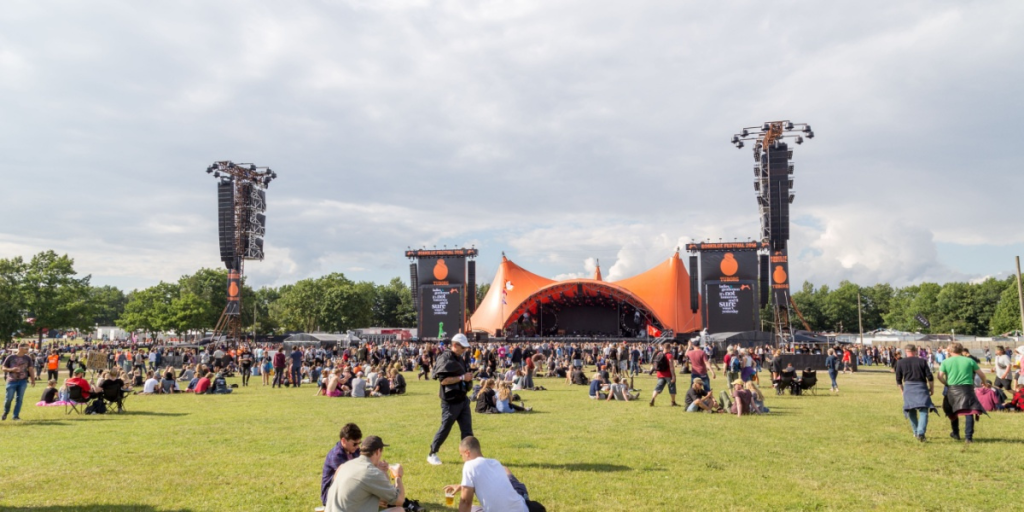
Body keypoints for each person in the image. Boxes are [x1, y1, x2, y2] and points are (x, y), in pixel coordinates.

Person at [443, 436, 544, 512]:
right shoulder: (495, 462)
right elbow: (490, 481)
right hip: (523, 508)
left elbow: (466, 502)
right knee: (506, 471)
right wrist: (462, 486)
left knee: (473, 508)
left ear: (467, 453)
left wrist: (465, 488)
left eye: (461, 456)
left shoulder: (469, 465)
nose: (462, 459)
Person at [428, 333, 475, 466]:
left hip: (462, 399)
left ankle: (469, 457)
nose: (465, 349)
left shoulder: (460, 358)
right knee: (445, 427)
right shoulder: (445, 358)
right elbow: (443, 381)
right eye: (462, 347)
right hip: (450, 401)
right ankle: (432, 453)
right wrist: (462, 378)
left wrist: (467, 377)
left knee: (467, 430)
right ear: (455, 345)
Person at [325, 435, 405, 512]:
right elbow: (399, 500)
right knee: (399, 510)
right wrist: (397, 476)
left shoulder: (345, 465)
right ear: (378, 451)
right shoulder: (372, 473)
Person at [937, 343, 988, 444]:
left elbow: (939, 376)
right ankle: (968, 437)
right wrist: (984, 382)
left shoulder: (946, 362)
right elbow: (982, 374)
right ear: (961, 350)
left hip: (952, 389)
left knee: (953, 411)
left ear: (950, 351)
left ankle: (956, 433)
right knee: (969, 412)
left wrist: (946, 383)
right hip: (967, 389)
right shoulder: (969, 360)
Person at [895, 344, 935, 441]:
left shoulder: (900, 362)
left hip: (908, 387)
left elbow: (898, 379)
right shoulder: (922, 361)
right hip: (921, 386)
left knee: (911, 410)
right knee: (923, 410)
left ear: (906, 351)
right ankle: (921, 432)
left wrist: (902, 391)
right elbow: (930, 377)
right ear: (915, 351)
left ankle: (916, 432)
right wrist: (932, 388)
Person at [320, 423, 363, 505]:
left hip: (346, 489)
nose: (357, 446)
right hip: (330, 495)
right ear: (343, 441)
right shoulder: (336, 455)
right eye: (355, 443)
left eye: (359, 443)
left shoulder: (355, 450)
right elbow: (350, 477)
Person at [3, 342, 37, 421]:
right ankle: (6, 412)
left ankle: (15, 416)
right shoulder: (10, 357)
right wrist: (11, 369)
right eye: (26, 348)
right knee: (9, 398)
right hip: (11, 381)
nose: (28, 350)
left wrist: (33, 379)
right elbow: (3, 368)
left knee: (19, 399)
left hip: (23, 381)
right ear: (20, 348)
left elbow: (31, 369)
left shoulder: (28, 358)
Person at [649, 341, 678, 407]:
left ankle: (653, 398)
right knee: (672, 387)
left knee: (658, 387)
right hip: (668, 374)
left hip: (660, 374)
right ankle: (673, 402)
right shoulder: (669, 355)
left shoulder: (659, 354)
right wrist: (673, 376)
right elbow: (671, 367)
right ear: (669, 348)